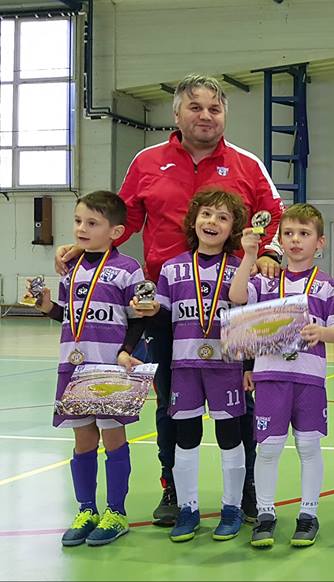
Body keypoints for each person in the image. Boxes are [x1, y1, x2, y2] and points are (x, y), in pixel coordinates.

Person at [56, 74, 285, 526]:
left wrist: (268, 253)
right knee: (169, 403)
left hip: (233, 301)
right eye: (195, 107)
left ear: (224, 115)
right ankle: (173, 488)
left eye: (215, 108)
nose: (206, 116)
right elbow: (120, 219)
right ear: (176, 114)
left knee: (244, 398)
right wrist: (84, 245)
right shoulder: (148, 161)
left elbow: (273, 214)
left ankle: (247, 488)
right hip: (166, 304)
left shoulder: (247, 164)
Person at [229, 203, 334, 548]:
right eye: (289, 233)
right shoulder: (266, 279)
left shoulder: (326, 286)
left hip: (309, 378)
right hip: (271, 377)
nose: (296, 240)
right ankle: (265, 513)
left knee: (308, 446)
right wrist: (249, 255)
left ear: (319, 242)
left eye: (304, 234)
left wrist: (320, 333)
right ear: (279, 240)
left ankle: (308, 514)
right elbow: (236, 297)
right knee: (268, 448)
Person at [34, 191, 147, 546]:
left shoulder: (128, 269)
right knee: (83, 440)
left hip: (109, 368)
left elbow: (139, 318)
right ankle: (86, 509)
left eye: (92, 223)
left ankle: (116, 512)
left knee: (113, 439)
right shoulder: (70, 268)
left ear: (116, 232)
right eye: (78, 221)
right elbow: (69, 316)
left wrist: (127, 351)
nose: (81, 229)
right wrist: (48, 307)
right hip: (72, 366)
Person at [138, 189, 249, 542]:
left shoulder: (239, 268)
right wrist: (149, 310)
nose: (212, 222)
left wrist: (249, 366)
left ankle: (231, 507)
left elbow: (248, 321)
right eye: (206, 214)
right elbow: (162, 317)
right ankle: (187, 508)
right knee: (186, 438)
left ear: (233, 228)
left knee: (230, 437)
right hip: (185, 366)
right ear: (193, 220)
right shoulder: (172, 268)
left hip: (226, 366)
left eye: (222, 217)